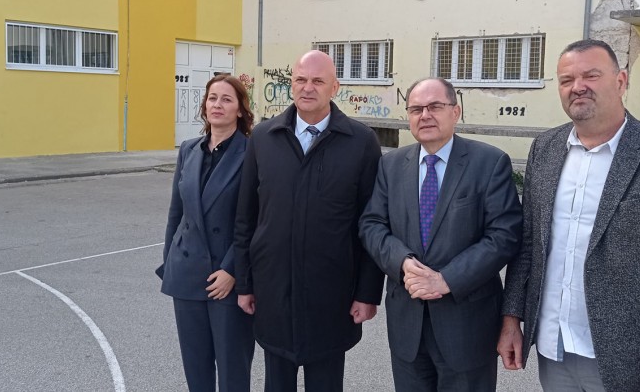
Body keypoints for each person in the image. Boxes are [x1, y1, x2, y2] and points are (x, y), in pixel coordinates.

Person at [498, 39, 640, 392]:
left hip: (632, 360)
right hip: (553, 349)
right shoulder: (545, 148)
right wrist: (512, 318)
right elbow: (529, 245)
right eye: (566, 79)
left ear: (620, 82)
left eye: (591, 75)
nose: (578, 87)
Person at [233, 50, 384, 392]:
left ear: (335, 87)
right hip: (273, 293)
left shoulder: (361, 143)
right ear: (291, 85)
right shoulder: (263, 138)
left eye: (318, 81)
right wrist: (245, 283)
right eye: (300, 80)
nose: (307, 88)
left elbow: (372, 224)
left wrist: (367, 292)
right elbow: (246, 217)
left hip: (332, 297)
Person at [359, 77, 523, 391]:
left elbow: (504, 235)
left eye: (435, 106)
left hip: (467, 325)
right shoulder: (391, 165)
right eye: (416, 109)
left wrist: (446, 279)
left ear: (456, 112)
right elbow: (371, 225)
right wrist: (403, 261)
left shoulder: (489, 163)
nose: (425, 115)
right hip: (407, 325)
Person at [157, 74, 256, 392]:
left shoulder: (253, 152)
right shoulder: (188, 150)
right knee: (196, 369)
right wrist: (170, 261)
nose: (218, 105)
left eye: (227, 99)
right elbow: (177, 213)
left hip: (226, 278)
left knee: (232, 371)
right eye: (213, 98)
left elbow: (258, 219)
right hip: (187, 275)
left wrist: (232, 270)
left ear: (240, 109)